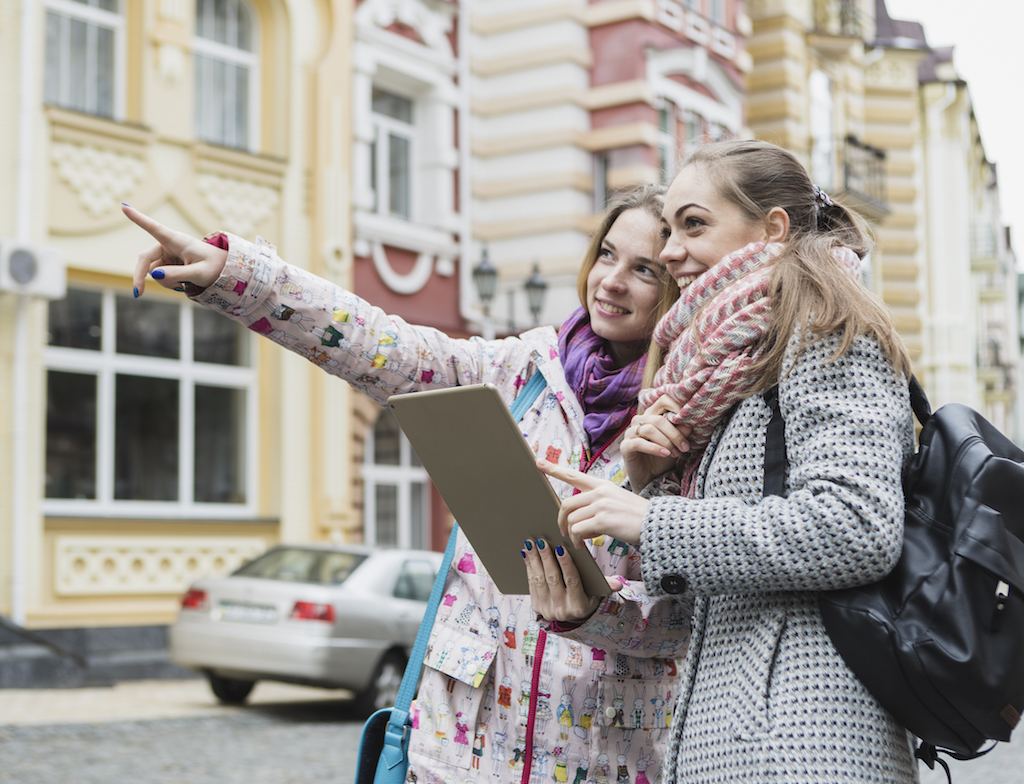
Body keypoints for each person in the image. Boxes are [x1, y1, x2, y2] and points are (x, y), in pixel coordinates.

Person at [124, 184, 694, 782]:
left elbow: (698, 615)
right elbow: (381, 345)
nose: (611, 281)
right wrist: (236, 275)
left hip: (603, 761)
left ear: (680, 287)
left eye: (644, 270)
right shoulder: (523, 370)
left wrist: (596, 613)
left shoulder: (696, 418)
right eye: (606, 254)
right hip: (454, 754)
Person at [533, 140, 919, 783]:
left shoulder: (825, 327)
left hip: (809, 743)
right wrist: (650, 481)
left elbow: (859, 525)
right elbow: (718, 561)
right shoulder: (724, 361)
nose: (669, 250)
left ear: (772, 227)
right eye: (669, 229)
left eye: (693, 224)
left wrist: (650, 523)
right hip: (737, 737)